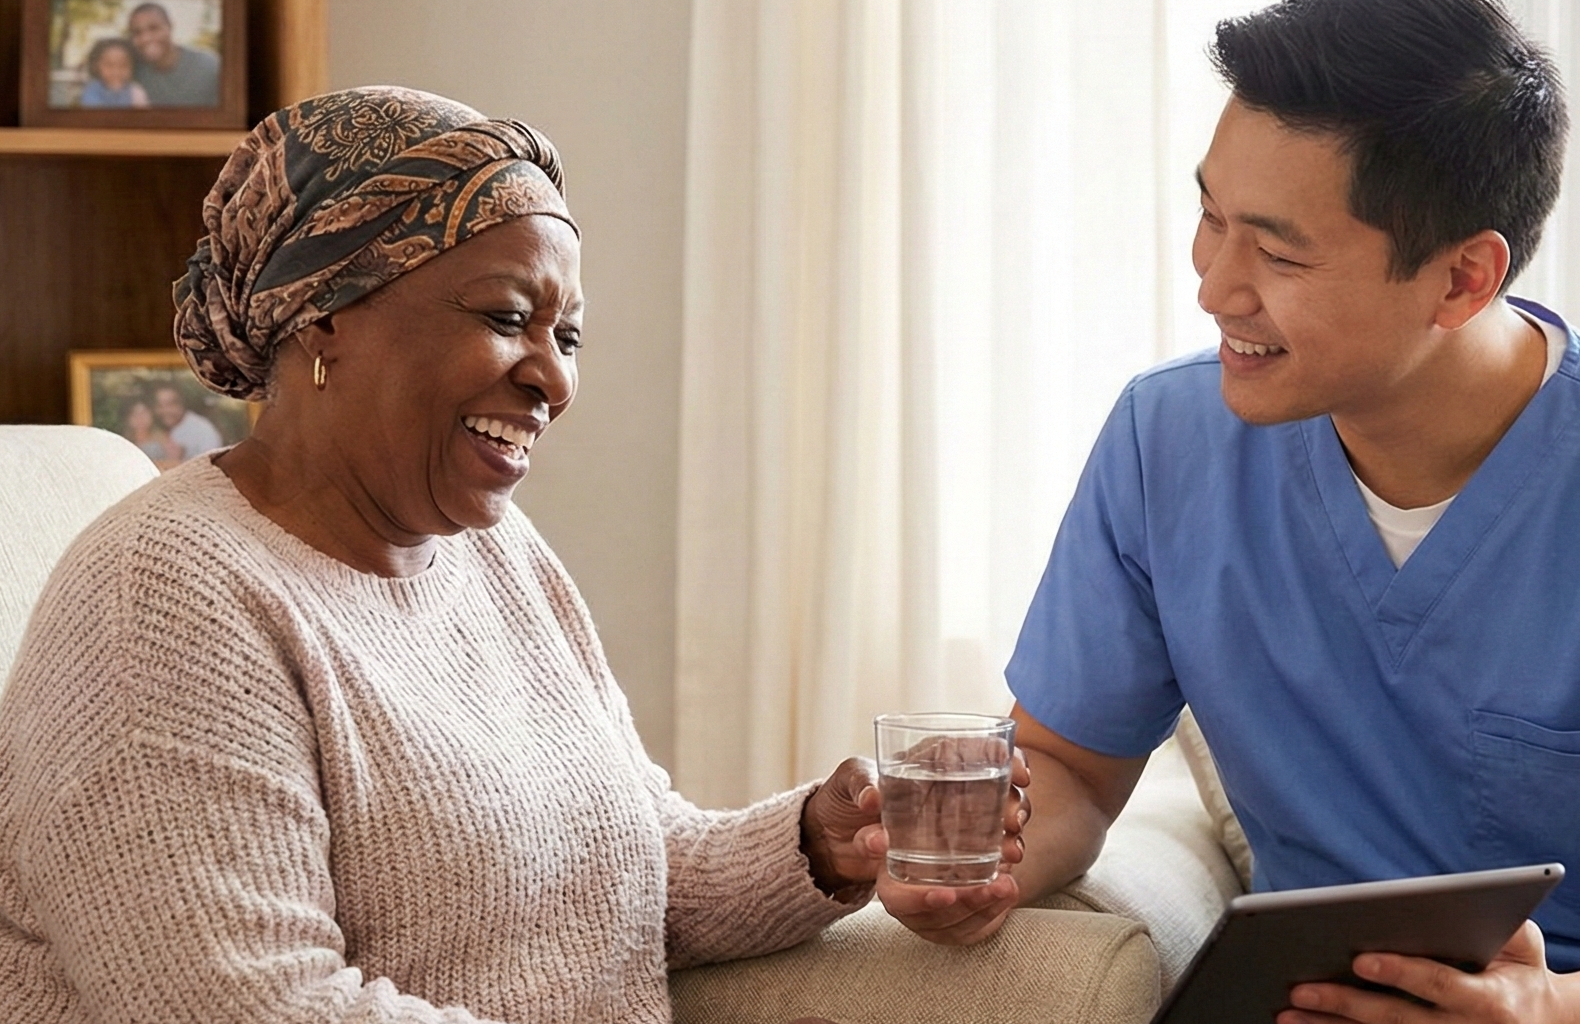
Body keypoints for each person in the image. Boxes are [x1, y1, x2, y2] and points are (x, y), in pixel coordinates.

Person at [0, 86, 1025, 1024]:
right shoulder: (163, 598)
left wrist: (817, 836)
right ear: (323, 319)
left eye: (566, 337)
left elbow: (621, 878)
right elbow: (252, 1007)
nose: (553, 380)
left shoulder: (495, 556)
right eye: (505, 319)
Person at [1000, 2, 1580, 1024]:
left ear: (1462, 277)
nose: (1215, 286)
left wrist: (1541, 1010)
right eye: (1210, 219)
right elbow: (1064, 765)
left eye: (1278, 256)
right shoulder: (1165, 443)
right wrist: (977, 858)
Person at [127, 2, 219, 107]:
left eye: (154, 28)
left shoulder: (210, 66)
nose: (145, 38)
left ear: (170, 26)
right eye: (137, 32)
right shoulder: (133, 72)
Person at [150, 382, 223, 457]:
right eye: (160, 405)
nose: (165, 410)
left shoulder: (202, 430)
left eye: (170, 404)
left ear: (181, 404)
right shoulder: (158, 429)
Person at [77, 38, 149, 109]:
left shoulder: (136, 92)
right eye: (109, 65)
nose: (116, 71)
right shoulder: (91, 90)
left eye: (123, 65)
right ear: (96, 66)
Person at [119, 396, 182, 469]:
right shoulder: (124, 444)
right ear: (128, 419)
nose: (140, 418)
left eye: (144, 413)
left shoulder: (163, 439)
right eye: (135, 414)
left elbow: (175, 464)